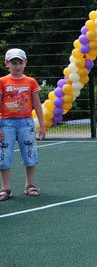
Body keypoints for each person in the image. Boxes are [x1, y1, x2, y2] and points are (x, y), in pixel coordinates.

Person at [0, 48, 46, 201]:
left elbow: (37, 105)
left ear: (25, 63)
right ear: (7, 63)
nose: (17, 66)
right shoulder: (2, 82)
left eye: (20, 62)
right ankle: (5, 188)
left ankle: (30, 184)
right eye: (14, 63)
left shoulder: (30, 82)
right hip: (6, 123)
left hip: (26, 122)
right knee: (4, 156)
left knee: (29, 153)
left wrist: (42, 125)